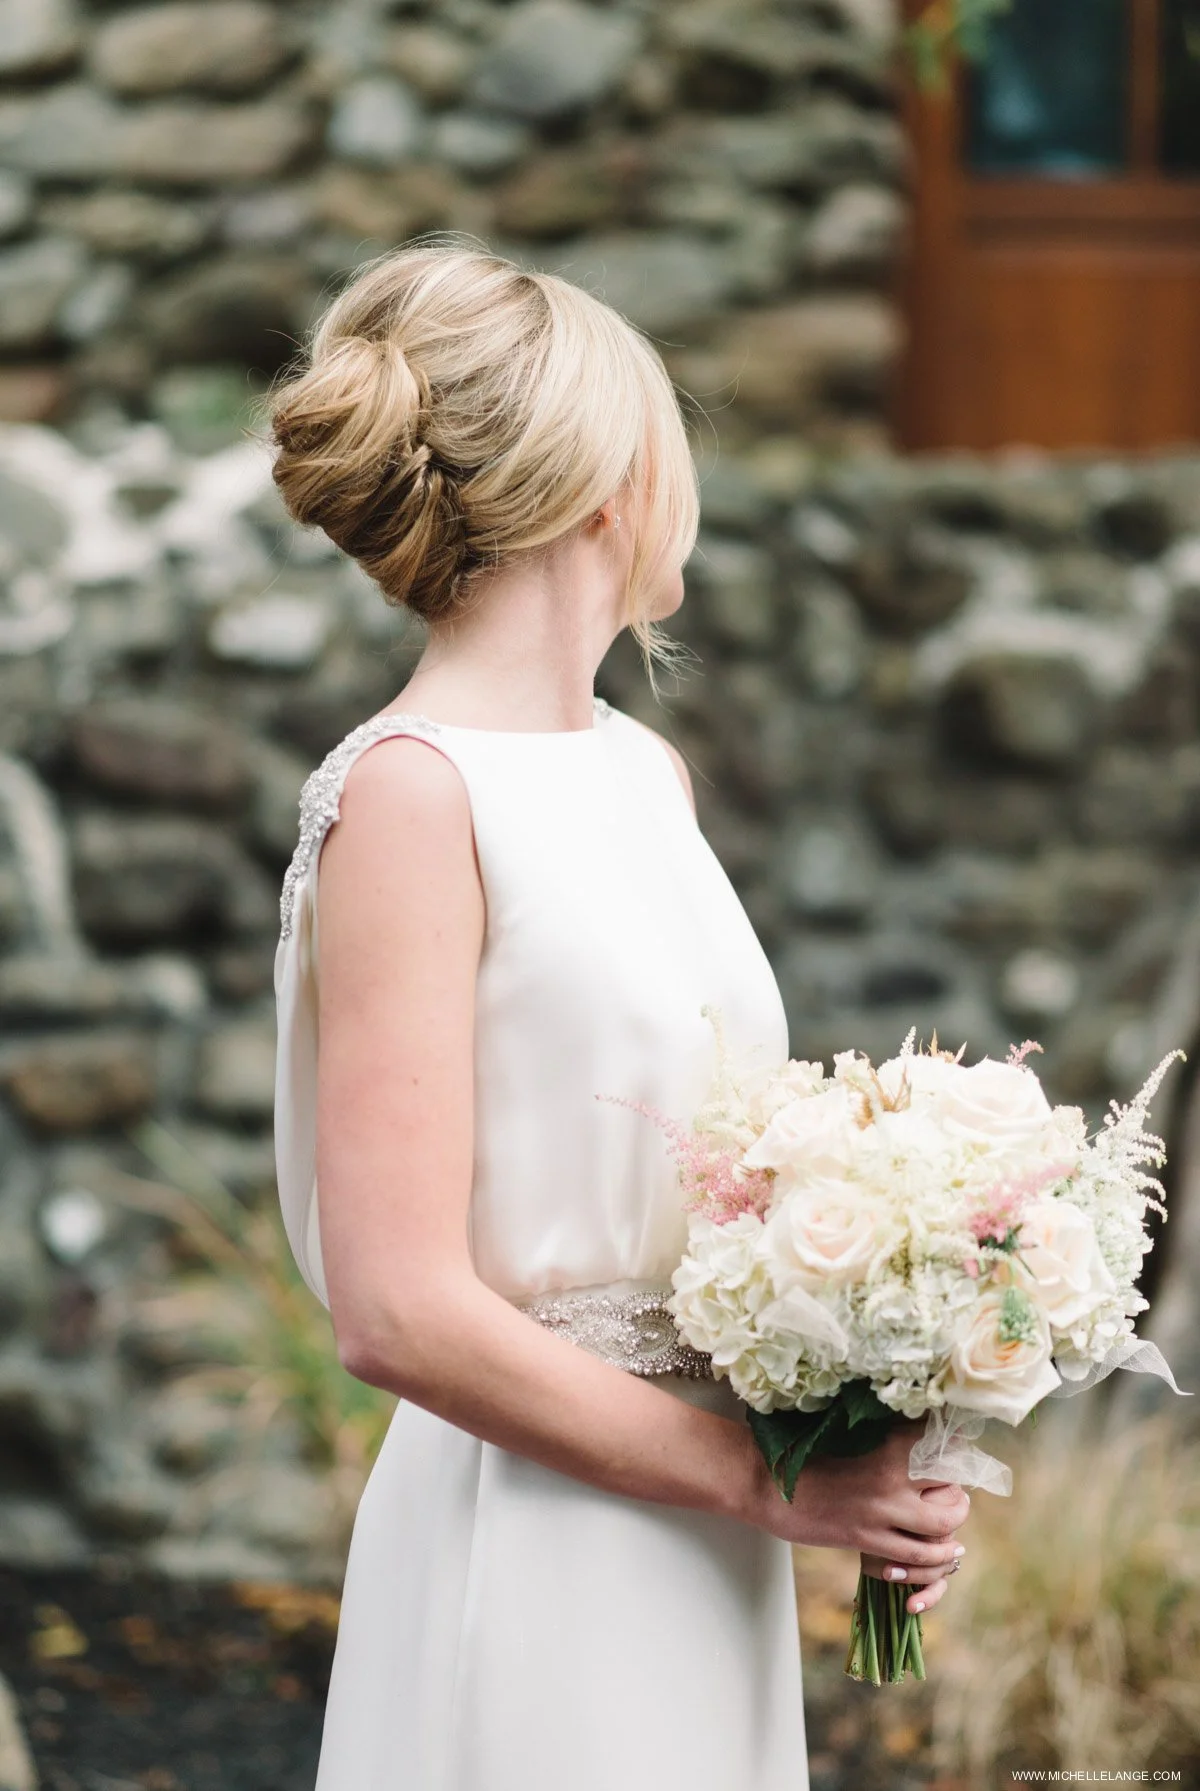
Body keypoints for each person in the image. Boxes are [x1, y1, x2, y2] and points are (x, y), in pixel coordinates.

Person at [268, 236, 970, 1791]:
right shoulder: (411, 794)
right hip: (531, 1532)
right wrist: (767, 1485)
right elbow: (395, 1305)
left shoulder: (644, 775)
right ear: (603, 483)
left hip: (702, 1537)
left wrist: (877, 1388)